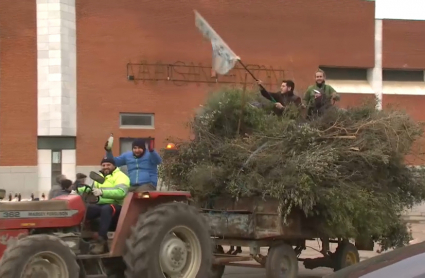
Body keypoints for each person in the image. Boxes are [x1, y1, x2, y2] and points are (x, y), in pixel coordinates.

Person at [79, 157, 130, 254]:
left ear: (114, 165)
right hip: (99, 204)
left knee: (106, 209)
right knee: (85, 209)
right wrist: (77, 190)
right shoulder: (99, 177)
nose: (105, 167)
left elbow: (121, 193)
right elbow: (90, 188)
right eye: (103, 165)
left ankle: (101, 241)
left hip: (116, 204)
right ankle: (80, 236)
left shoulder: (121, 177)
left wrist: (102, 192)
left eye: (108, 165)